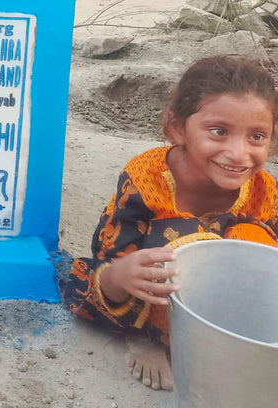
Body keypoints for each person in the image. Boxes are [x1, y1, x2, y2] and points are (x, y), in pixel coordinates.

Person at [65, 54, 278, 392]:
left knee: (255, 238)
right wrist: (123, 274)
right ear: (177, 129)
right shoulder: (146, 180)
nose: (239, 154)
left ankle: (225, 337)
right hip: (149, 287)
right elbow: (107, 254)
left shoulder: (263, 189)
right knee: (184, 241)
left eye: (256, 137)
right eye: (219, 132)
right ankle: (149, 338)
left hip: (215, 299)